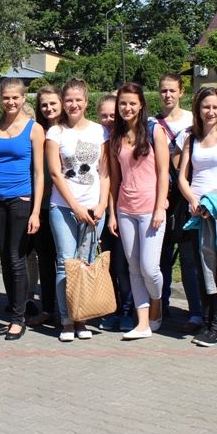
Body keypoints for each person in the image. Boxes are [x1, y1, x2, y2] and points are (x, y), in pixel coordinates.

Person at [177, 87, 217, 347]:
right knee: (201, 269)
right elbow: (182, 176)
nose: (211, 112)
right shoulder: (191, 138)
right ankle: (207, 320)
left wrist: (214, 200)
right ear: (198, 109)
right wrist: (193, 200)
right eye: (206, 107)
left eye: (215, 107)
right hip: (197, 213)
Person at [46, 79, 110, 342]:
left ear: (86, 102)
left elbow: (105, 172)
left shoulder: (100, 132)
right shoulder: (55, 133)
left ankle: (82, 317)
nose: (73, 104)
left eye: (78, 100)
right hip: (63, 207)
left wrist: (102, 204)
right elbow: (55, 173)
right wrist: (75, 207)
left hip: (94, 209)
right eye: (69, 100)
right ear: (63, 102)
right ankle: (66, 321)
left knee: (85, 263)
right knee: (65, 262)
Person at [108, 83, 170, 340]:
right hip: (125, 209)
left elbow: (164, 172)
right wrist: (112, 213)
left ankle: (156, 302)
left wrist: (160, 207)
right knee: (133, 268)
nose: (127, 108)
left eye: (132, 103)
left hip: (150, 210)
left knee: (149, 268)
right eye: (123, 103)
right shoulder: (116, 135)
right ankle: (143, 322)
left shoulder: (155, 131)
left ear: (141, 104)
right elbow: (114, 178)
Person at [0, 78, 44, 341]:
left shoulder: (34, 129)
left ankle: (18, 319)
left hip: (20, 198)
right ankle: (14, 309)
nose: (10, 102)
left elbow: (39, 173)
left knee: (16, 257)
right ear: (0, 98)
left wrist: (35, 211)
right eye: (6, 97)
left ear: (23, 98)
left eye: (15, 97)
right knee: (4, 257)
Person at [153, 73, 200, 330]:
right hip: (161, 195)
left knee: (188, 257)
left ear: (181, 92)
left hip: (187, 194)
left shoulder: (193, 120)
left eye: (172, 90)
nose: (168, 95)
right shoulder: (152, 123)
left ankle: (195, 311)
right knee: (161, 255)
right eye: (164, 90)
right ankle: (162, 305)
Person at [95, 94, 133, 332]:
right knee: (107, 265)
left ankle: (127, 311)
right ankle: (112, 310)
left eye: (112, 115)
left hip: (123, 209)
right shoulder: (95, 138)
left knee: (122, 266)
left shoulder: (123, 140)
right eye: (104, 115)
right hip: (101, 210)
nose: (109, 120)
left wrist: (113, 213)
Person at [26, 84, 61, 326]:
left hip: (67, 205)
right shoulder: (38, 132)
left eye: (53, 103)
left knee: (66, 260)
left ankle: (70, 310)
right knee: (46, 260)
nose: (48, 108)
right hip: (42, 206)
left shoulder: (70, 130)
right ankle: (48, 308)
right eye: (44, 104)